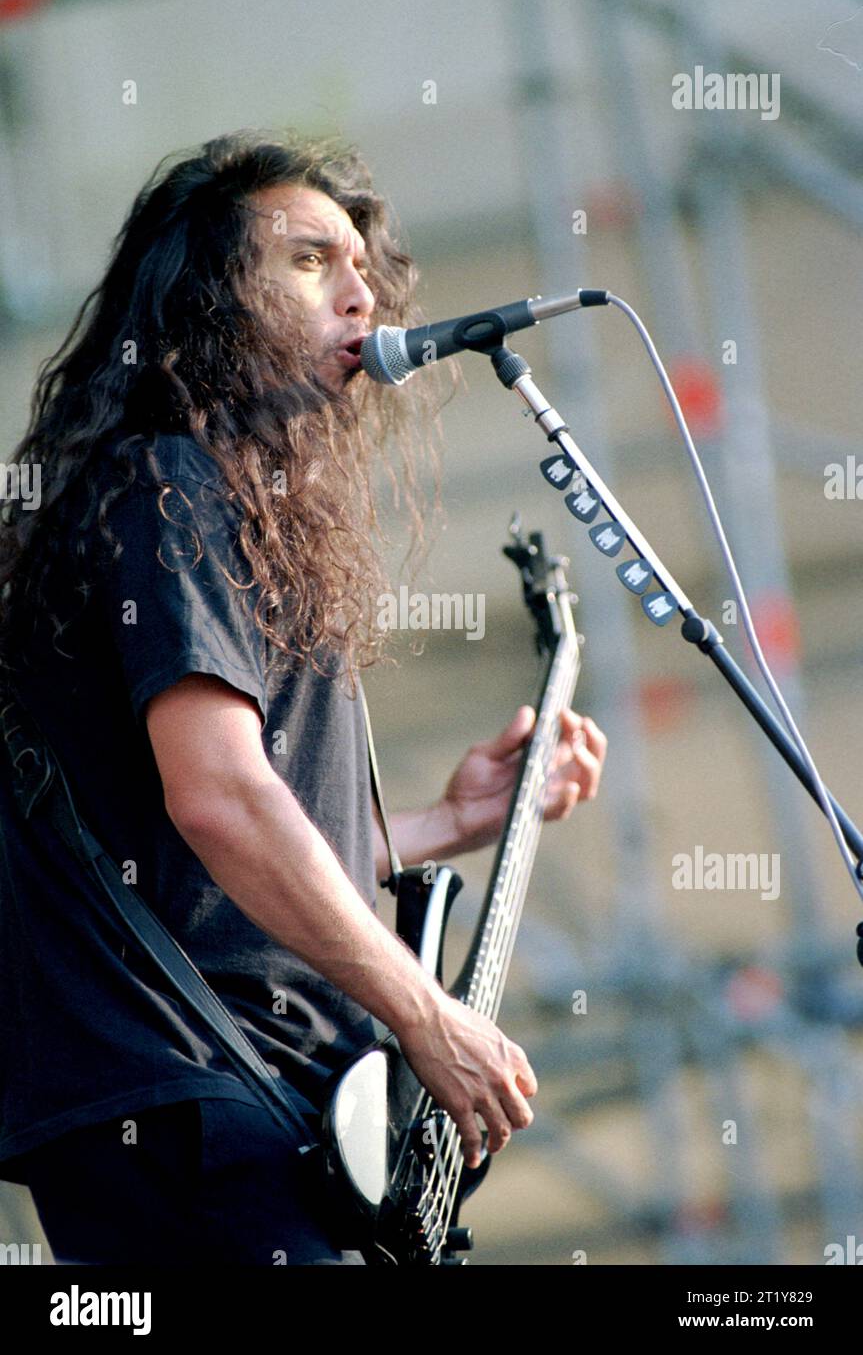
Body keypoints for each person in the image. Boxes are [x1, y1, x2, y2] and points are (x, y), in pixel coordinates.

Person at [0, 129, 607, 1265]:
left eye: (361, 265)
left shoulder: (223, 504)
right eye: (309, 259)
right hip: (190, 1089)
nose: (357, 289)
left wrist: (442, 823)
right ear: (211, 299)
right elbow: (219, 800)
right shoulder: (165, 482)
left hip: (238, 1092)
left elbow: (205, 858)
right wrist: (426, 1017)